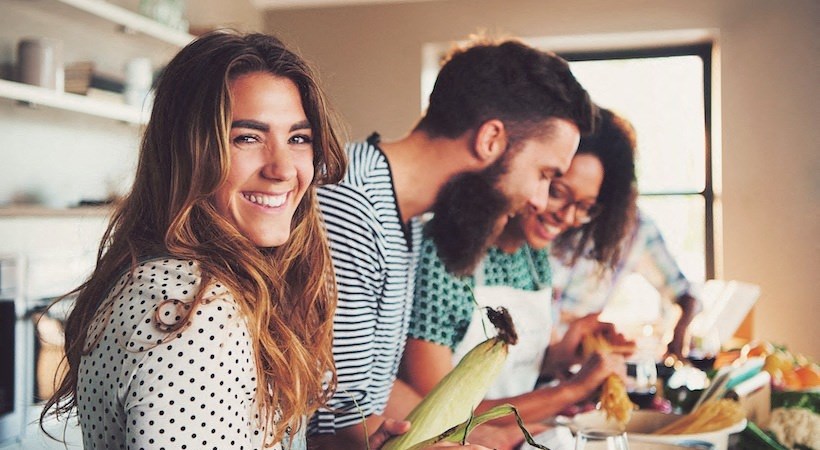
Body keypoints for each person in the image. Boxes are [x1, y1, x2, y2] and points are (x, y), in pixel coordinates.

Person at [39, 30, 483, 450]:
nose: (284, 168)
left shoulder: (186, 284)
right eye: (247, 137)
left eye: (298, 138)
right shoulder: (191, 313)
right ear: (187, 152)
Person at [309, 36, 596, 448]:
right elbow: (329, 419)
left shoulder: (399, 214)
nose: (537, 199)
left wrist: (487, 435)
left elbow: (369, 389)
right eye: (544, 174)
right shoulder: (351, 206)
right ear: (491, 139)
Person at [402, 108, 637, 448]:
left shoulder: (534, 255)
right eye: (557, 191)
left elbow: (512, 368)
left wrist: (566, 351)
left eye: (584, 206)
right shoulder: (445, 254)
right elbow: (435, 413)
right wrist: (572, 389)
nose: (567, 217)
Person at [550, 207, 700, 358]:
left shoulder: (638, 229)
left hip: (569, 356)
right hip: (537, 349)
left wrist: (679, 331)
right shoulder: (562, 211)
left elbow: (684, 292)